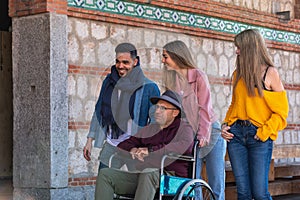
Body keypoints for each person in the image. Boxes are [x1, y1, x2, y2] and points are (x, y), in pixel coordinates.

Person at [221, 29, 289, 200]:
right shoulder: (238, 74)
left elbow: (281, 113)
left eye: (239, 47)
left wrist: (264, 132)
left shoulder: (270, 73)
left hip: (259, 136)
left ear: (250, 47)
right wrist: (225, 125)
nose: (236, 51)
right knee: (243, 193)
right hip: (236, 136)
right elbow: (234, 105)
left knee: (260, 194)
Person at [82, 43, 160, 189]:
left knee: (135, 190)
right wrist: (89, 139)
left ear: (135, 61)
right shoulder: (109, 82)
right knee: (104, 185)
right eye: (118, 61)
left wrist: (146, 148)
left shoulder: (149, 87)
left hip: (134, 147)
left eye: (125, 62)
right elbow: (99, 110)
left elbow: (155, 122)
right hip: (111, 144)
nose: (120, 66)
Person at [95, 90, 194, 200]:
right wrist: (132, 150)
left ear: (175, 112)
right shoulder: (150, 129)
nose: (157, 111)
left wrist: (150, 151)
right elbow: (123, 145)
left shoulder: (184, 128)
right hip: (143, 175)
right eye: (157, 107)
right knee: (106, 175)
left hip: (171, 178)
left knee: (148, 173)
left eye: (163, 108)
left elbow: (185, 146)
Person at [162, 40, 226, 200]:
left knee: (215, 182)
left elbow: (204, 107)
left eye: (165, 57)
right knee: (192, 182)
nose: (163, 61)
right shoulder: (172, 81)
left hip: (211, 133)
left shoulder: (198, 76)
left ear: (177, 56)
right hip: (191, 136)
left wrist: (203, 134)